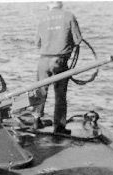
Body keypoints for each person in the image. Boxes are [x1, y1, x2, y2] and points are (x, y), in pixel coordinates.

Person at [33, 1, 82, 134]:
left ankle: (36, 121)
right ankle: (59, 127)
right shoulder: (69, 16)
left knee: (40, 91)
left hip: (43, 61)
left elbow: (37, 43)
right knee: (60, 95)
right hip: (59, 61)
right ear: (60, 4)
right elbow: (78, 40)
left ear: (49, 5)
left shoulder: (42, 18)